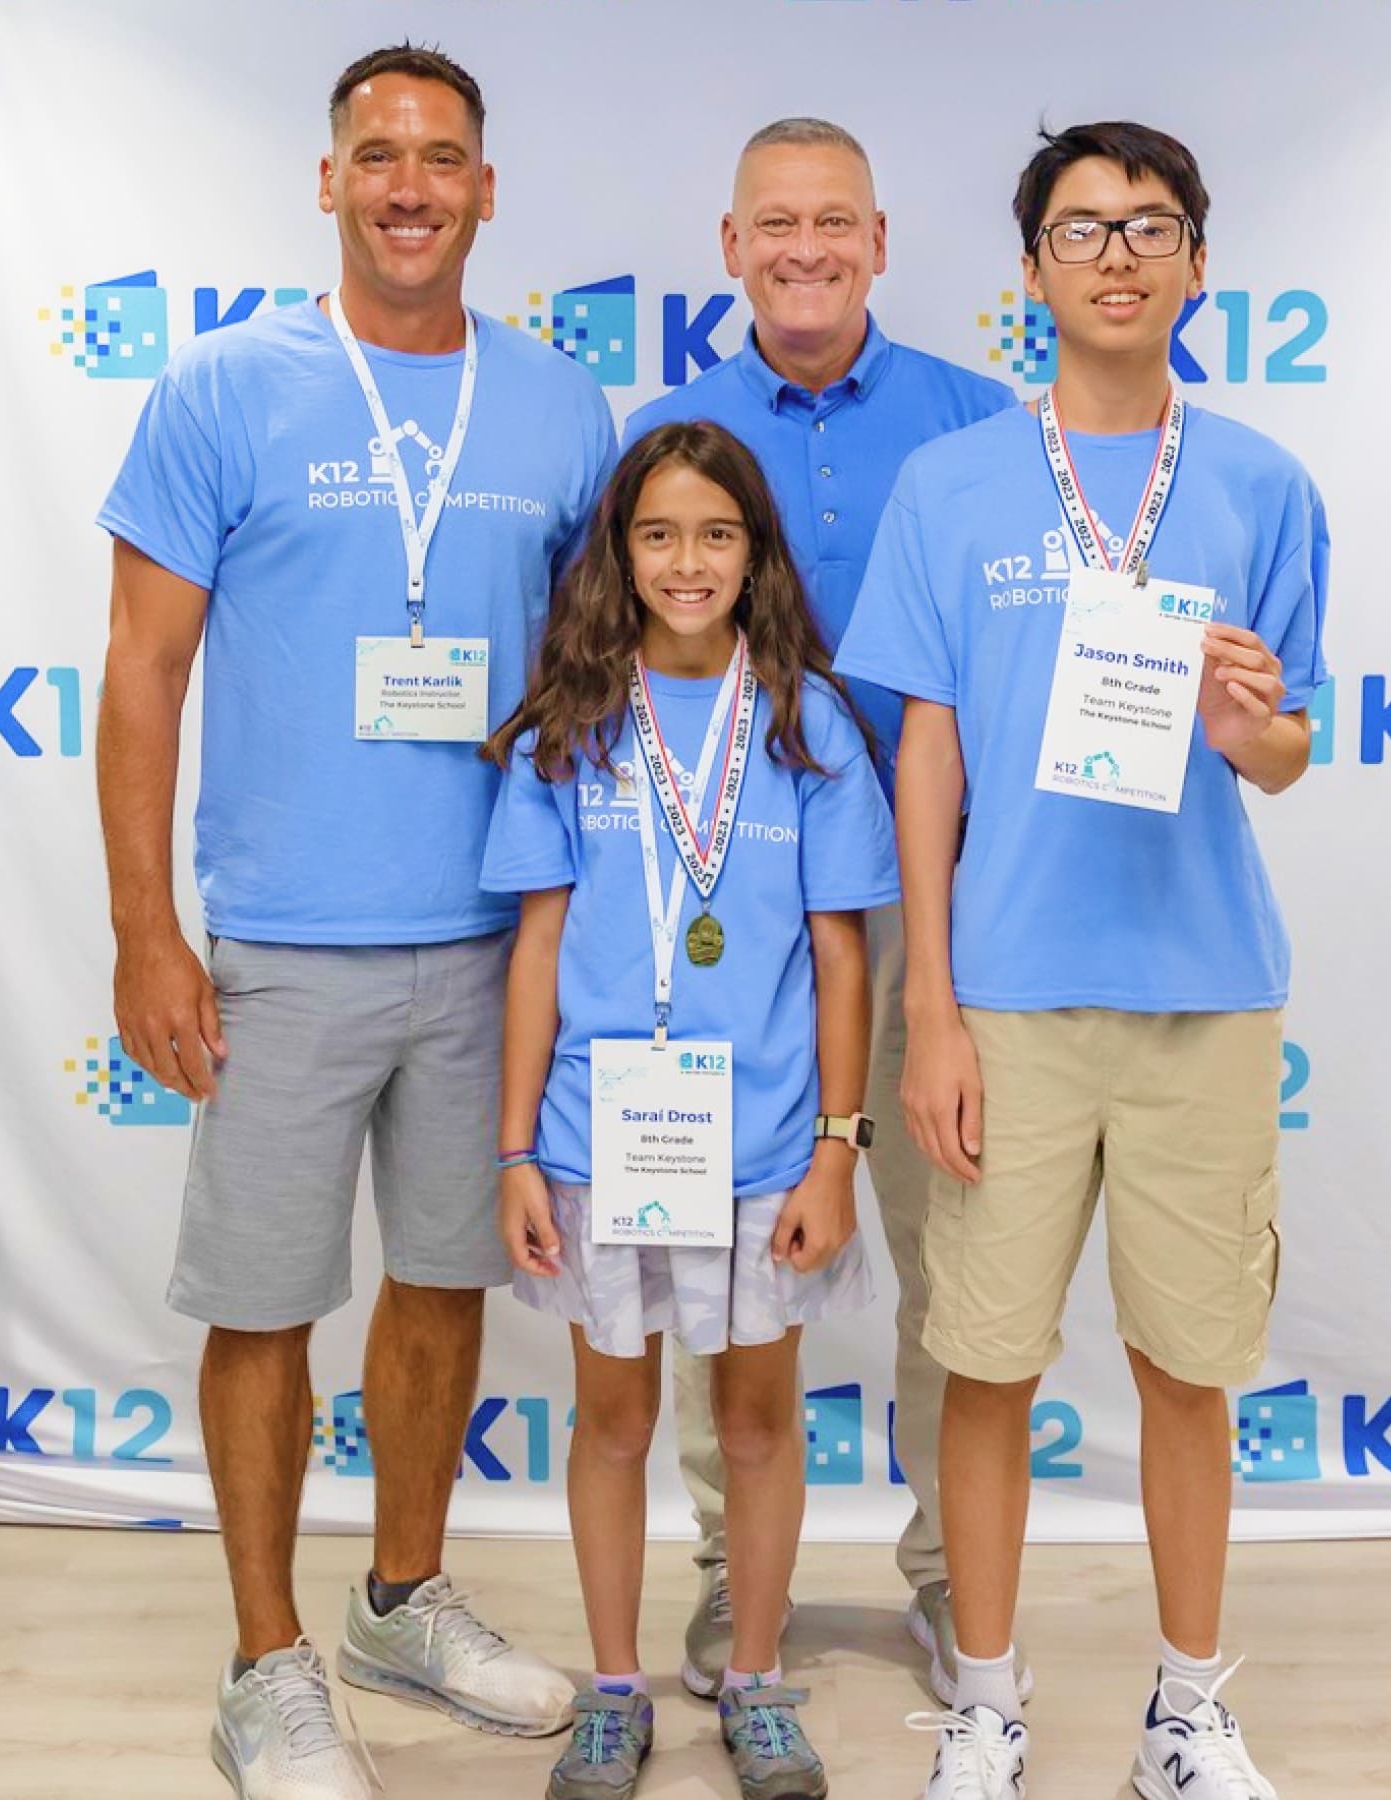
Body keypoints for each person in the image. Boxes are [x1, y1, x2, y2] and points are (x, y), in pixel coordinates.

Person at [95, 44, 615, 1800]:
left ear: (486, 191)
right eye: (377, 155)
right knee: (263, 1304)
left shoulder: (559, 407)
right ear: (328, 183)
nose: (409, 185)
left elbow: (581, 680)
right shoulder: (222, 390)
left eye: (443, 158)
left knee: (443, 1286)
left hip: (484, 939)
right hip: (281, 945)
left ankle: (400, 1596)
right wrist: (145, 935)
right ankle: (266, 1661)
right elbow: (144, 677)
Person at [836, 122, 1328, 1800]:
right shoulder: (956, 481)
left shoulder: (1262, 481)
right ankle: (984, 1698)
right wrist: (933, 1008)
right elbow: (925, 759)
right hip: (1012, 1002)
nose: (1117, 255)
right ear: (1031, 267)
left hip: (1205, 993)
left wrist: (1250, 728)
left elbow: (1289, 755)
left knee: (1190, 1371)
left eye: (1151, 226)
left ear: (1200, 260)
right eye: (1080, 228)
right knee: (986, 1365)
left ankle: (1189, 1710)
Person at [624, 116, 1023, 1707]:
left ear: (879, 239)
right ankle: (738, 1578)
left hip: (936, 909)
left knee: (956, 1254)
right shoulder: (669, 427)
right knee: (722, 1264)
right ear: (729, 246)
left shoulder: (978, 422)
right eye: (774, 223)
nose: (805, 248)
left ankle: (948, 1578)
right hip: (717, 918)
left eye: (834, 222)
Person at [482, 420, 897, 1800]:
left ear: (758, 552)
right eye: (657, 533)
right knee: (611, 1420)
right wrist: (516, 1149)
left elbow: (844, 956)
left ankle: (759, 1680)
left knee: (761, 1423)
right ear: (619, 551)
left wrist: (839, 1149)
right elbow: (536, 950)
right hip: (604, 1135)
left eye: (718, 533)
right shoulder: (574, 726)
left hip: (771, 1142)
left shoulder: (807, 721)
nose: (687, 560)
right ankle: (614, 1690)